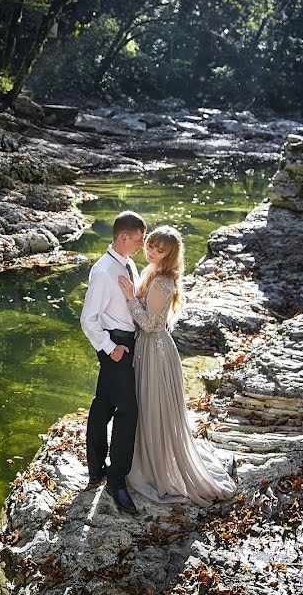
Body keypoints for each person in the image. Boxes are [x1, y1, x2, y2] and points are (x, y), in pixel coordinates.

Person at [117, 225, 238, 506]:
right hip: (148, 349)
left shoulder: (162, 281)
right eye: (150, 246)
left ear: (170, 255)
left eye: (160, 251)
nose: (152, 252)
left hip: (156, 350)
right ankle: (145, 456)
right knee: (146, 405)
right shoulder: (152, 272)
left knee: (154, 406)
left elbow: (147, 324)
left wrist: (129, 298)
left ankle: (157, 466)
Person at [80, 211, 146, 515]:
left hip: (126, 344)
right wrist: (110, 348)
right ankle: (117, 479)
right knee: (129, 410)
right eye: (138, 239)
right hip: (115, 346)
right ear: (123, 237)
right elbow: (88, 319)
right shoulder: (104, 271)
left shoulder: (128, 264)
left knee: (104, 402)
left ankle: (96, 468)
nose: (141, 245)